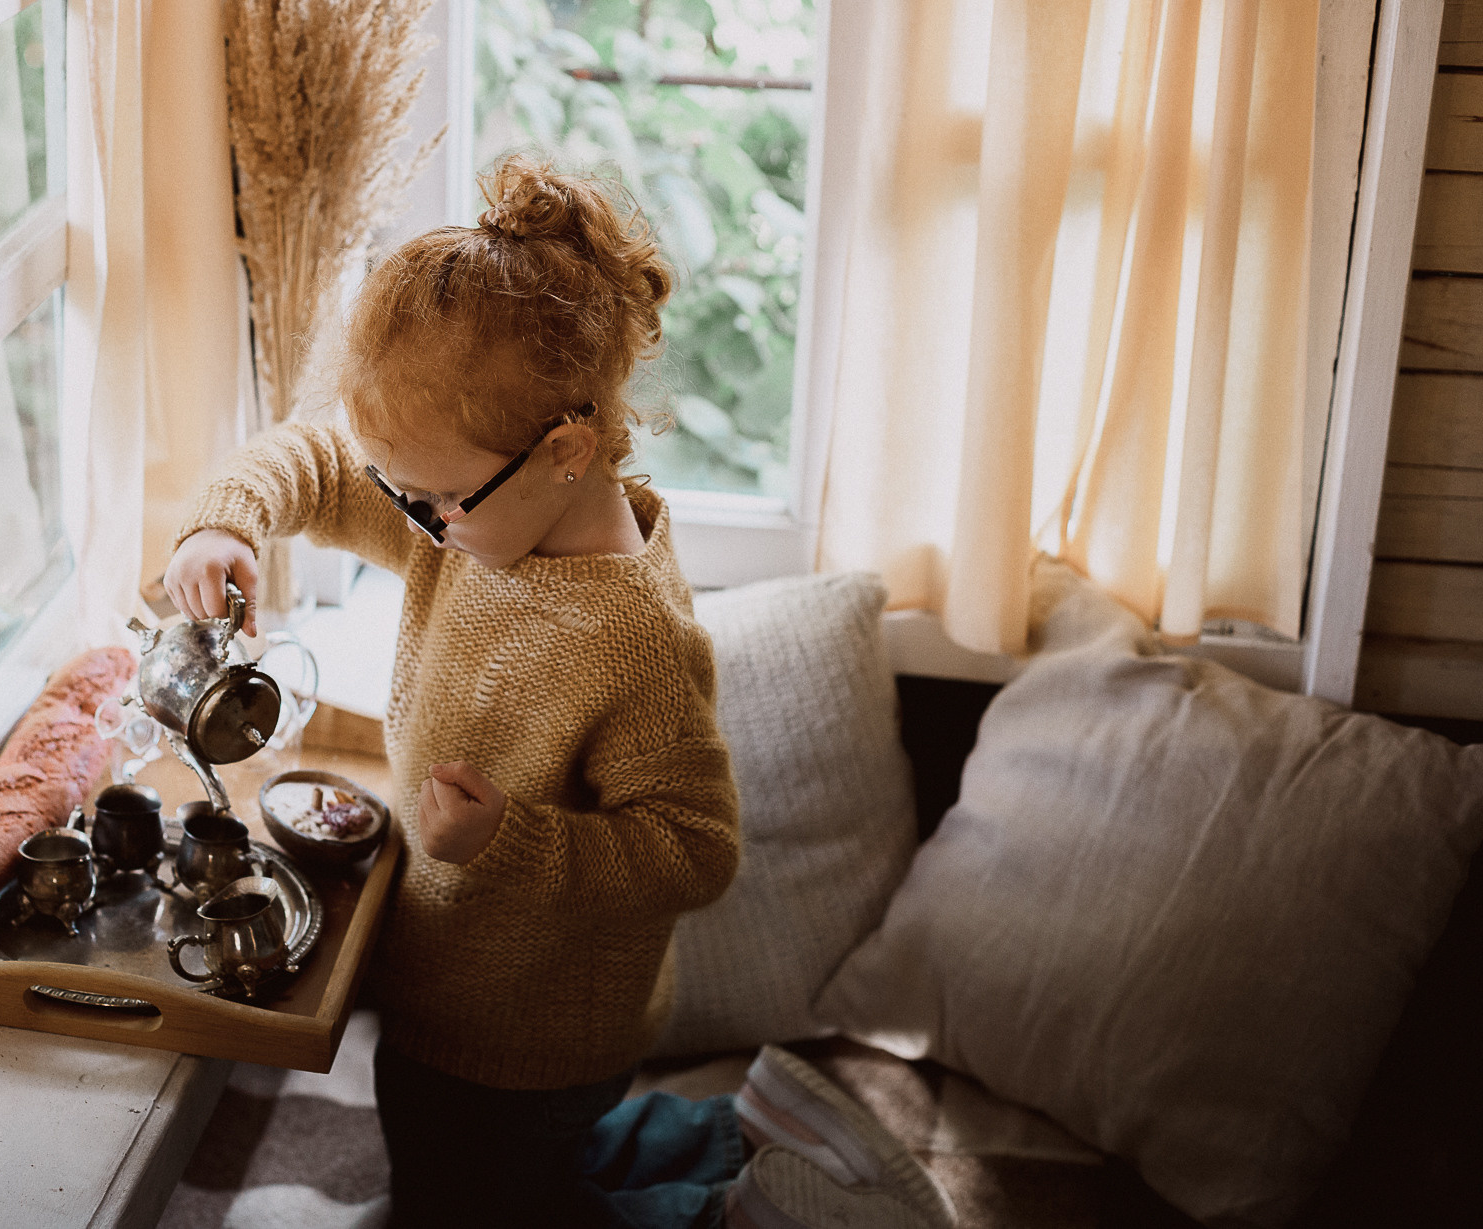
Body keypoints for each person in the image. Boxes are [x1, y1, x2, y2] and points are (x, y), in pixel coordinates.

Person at [163, 155, 953, 1229]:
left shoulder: (630, 639)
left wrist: (510, 842)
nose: (414, 519)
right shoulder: (478, 512)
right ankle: (738, 1128)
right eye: (405, 492)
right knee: (505, 1170)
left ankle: (741, 1210)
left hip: (533, 1034)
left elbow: (696, 847)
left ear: (567, 450)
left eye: (436, 498)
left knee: (485, 1209)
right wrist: (228, 520)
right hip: (446, 990)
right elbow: (321, 462)